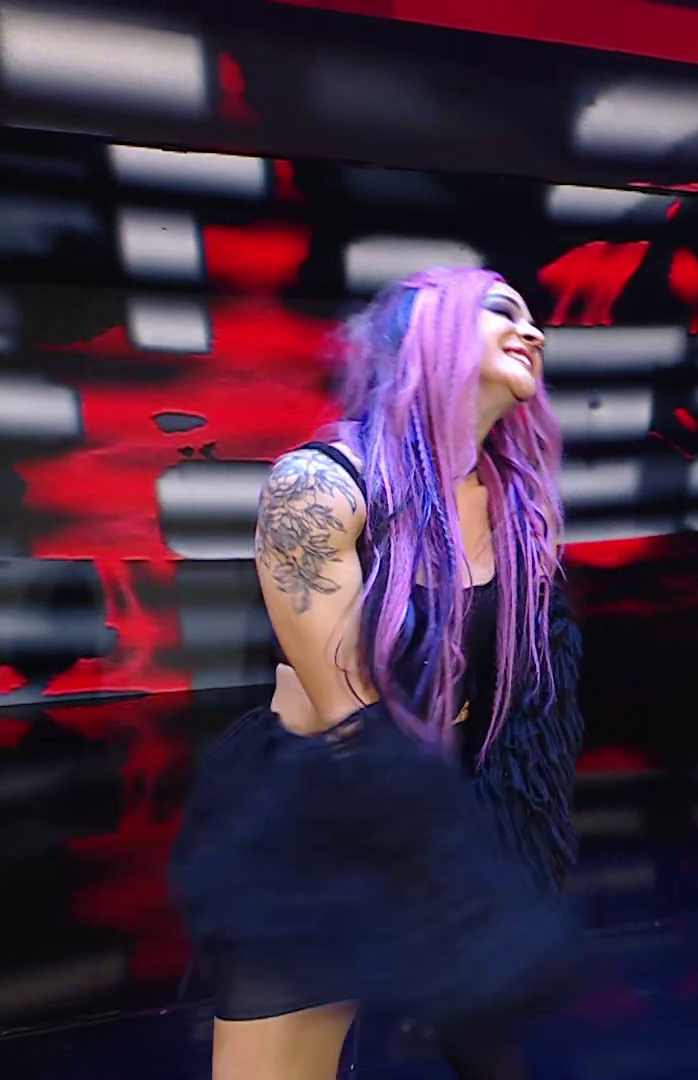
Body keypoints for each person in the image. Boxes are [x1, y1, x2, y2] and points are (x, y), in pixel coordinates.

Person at [169, 267, 585, 1080]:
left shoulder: (514, 504)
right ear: (429, 330)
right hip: (320, 810)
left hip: (442, 797)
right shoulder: (319, 486)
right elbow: (350, 715)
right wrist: (459, 888)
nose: (533, 332)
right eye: (503, 310)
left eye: (535, 318)